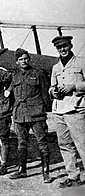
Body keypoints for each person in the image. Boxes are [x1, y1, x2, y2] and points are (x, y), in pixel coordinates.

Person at [8, 48, 52, 183]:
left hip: (36, 113)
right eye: (21, 59)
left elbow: (45, 93)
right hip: (19, 114)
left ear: (29, 59)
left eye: (26, 58)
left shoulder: (38, 74)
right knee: (21, 142)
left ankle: (46, 172)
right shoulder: (14, 76)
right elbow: (11, 95)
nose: (24, 61)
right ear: (16, 62)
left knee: (42, 141)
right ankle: (22, 170)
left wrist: (45, 110)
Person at [49, 35, 85, 188]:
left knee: (82, 143)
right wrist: (53, 92)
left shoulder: (81, 62)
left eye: (64, 46)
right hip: (59, 110)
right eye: (59, 48)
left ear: (70, 45)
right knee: (64, 144)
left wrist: (74, 86)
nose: (62, 50)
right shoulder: (56, 68)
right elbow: (51, 87)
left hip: (76, 108)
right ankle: (73, 175)